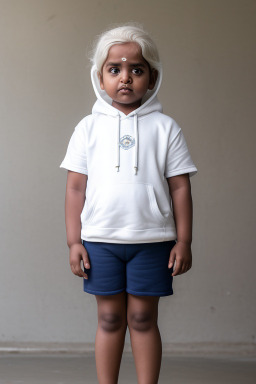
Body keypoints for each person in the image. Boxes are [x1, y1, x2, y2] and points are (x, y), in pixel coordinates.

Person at [60, 24, 197, 384]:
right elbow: (75, 189)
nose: (125, 78)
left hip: (152, 242)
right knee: (109, 320)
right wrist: (75, 241)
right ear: (100, 77)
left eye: (136, 70)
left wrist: (184, 240)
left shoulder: (166, 128)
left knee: (142, 320)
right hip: (100, 241)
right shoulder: (87, 128)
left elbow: (180, 188)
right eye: (114, 69)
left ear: (152, 78)